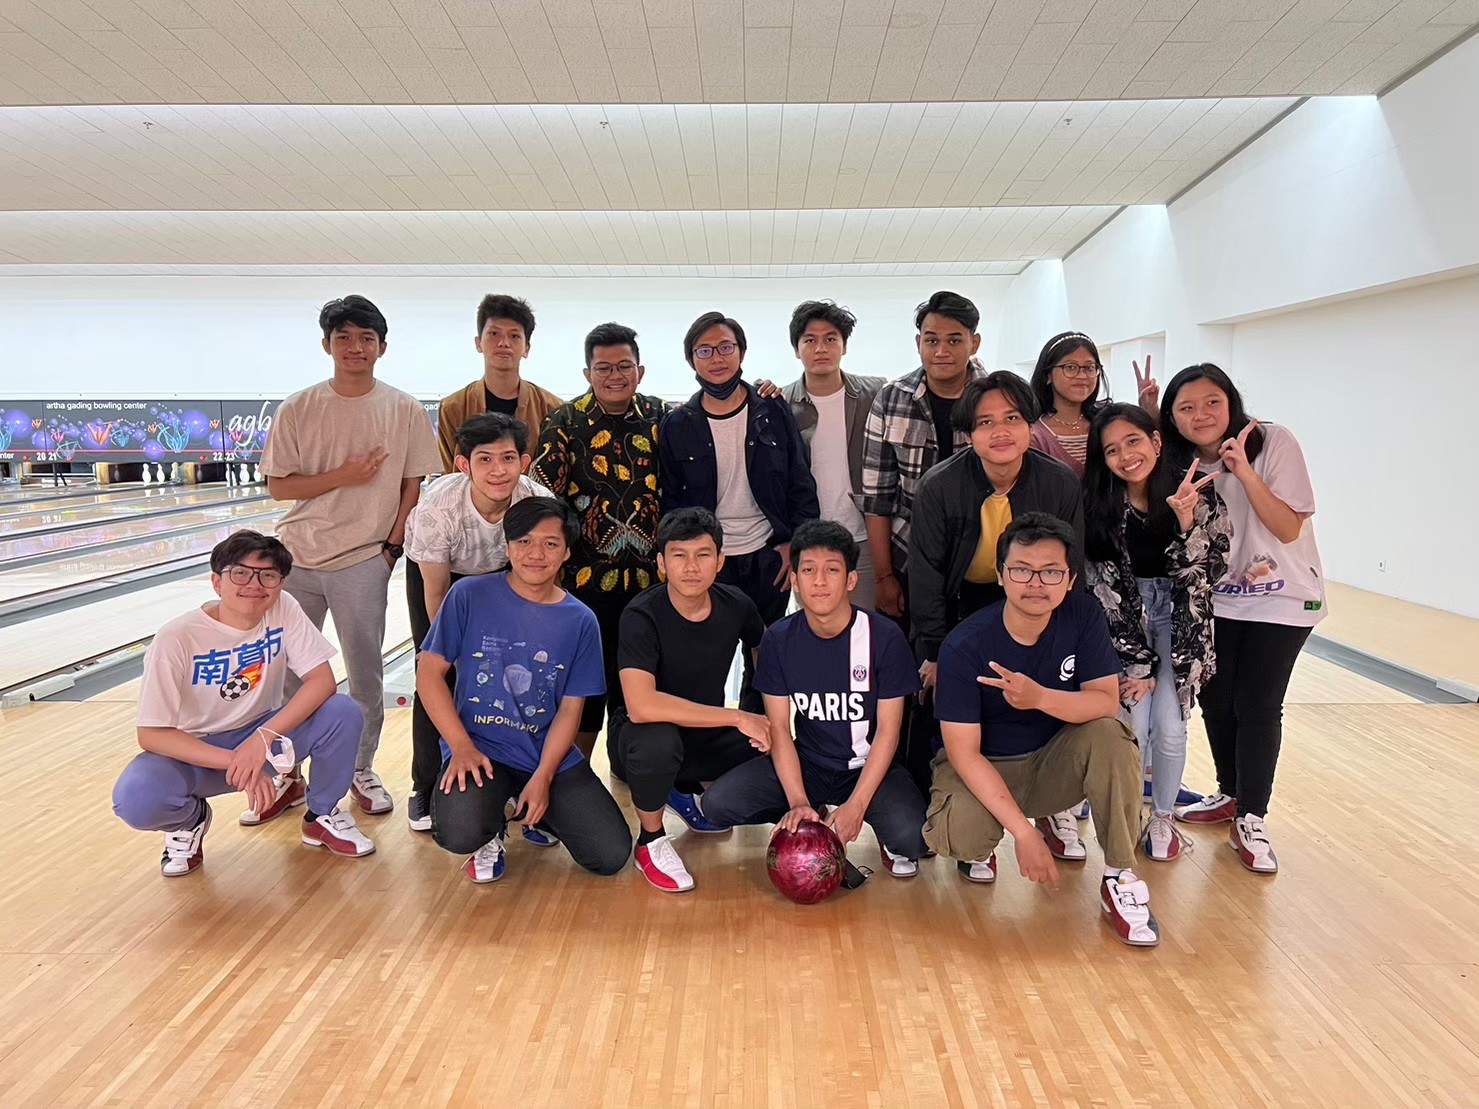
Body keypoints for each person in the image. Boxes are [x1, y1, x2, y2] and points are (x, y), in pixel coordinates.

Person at [925, 513, 1161, 947]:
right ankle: (990, 841)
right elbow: (963, 753)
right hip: (987, 765)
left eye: (1051, 572)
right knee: (963, 833)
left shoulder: (1083, 615)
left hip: (1053, 762)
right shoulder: (964, 644)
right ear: (1000, 575)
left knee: (1111, 736)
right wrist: (1023, 833)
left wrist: (1039, 697)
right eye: (1022, 570)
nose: (1036, 583)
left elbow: (1105, 701)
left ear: (1070, 580)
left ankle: (1120, 877)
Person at [261, 295, 441, 816]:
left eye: (366, 338)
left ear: (382, 347)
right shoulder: (298, 407)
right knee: (288, 675)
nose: (355, 347)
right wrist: (344, 475)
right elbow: (278, 486)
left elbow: (412, 486)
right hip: (297, 557)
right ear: (327, 345)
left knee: (366, 674)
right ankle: (287, 774)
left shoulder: (404, 409)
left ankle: (359, 769)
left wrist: (390, 550)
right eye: (343, 337)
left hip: (364, 559)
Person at [112, 530, 375, 876]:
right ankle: (190, 821)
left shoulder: (283, 607)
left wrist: (261, 740)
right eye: (240, 573)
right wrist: (238, 759)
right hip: (197, 753)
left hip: (262, 736)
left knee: (341, 711)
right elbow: (152, 735)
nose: (254, 585)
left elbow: (322, 681)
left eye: (267, 576)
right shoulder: (176, 638)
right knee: (136, 797)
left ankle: (321, 815)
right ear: (216, 582)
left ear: (280, 584)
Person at [1159, 365, 1327, 874]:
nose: (1201, 415)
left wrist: (1244, 471)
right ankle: (1230, 793)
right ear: (1172, 418)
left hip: (1283, 598)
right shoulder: (1178, 462)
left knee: (1258, 703)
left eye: (1212, 402)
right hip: (1216, 599)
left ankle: (1252, 817)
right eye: (1186, 408)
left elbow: (1288, 528)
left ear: (1231, 402)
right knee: (1216, 699)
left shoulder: (1273, 442)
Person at [906, 372, 1084, 854]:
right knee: (958, 705)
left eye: (1012, 418)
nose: (1000, 431)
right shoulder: (939, 486)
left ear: (1030, 424)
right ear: (968, 433)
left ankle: (1052, 805)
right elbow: (926, 575)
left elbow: (1072, 569)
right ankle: (964, 815)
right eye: (985, 422)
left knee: (1042, 696)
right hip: (960, 602)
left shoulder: (1059, 482)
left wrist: (1066, 642)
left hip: (1033, 599)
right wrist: (934, 651)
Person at [416, 497, 631, 884]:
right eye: (524, 541)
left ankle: (532, 808)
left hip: (545, 756)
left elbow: (571, 710)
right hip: (480, 750)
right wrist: (460, 747)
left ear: (566, 552)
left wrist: (545, 777)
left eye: (550, 543)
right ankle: (493, 825)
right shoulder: (469, 595)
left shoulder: (581, 621)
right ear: (508, 545)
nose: (536, 553)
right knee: (460, 832)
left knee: (609, 855)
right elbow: (429, 674)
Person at [701, 520, 927, 877]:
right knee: (717, 804)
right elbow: (779, 727)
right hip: (810, 765)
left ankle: (878, 824)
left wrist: (856, 806)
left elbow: (889, 731)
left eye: (832, 570)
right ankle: (813, 811)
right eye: (808, 570)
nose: (819, 581)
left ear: (851, 580)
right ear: (794, 580)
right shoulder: (779, 639)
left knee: (913, 840)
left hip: (868, 767)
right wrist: (798, 803)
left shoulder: (883, 637)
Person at [1082, 404, 1230, 861]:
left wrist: (1187, 526)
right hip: (1124, 623)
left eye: (1133, 441)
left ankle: (1163, 817)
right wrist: (1136, 662)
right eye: (1111, 450)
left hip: (1181, 622)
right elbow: (1102, 586)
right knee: (1134, 727)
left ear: (1156, 441)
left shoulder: (1196, 492)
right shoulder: (1101, 504)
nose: (1125, 456)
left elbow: (1210, 574)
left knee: (1170, 727)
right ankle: (1126, 813)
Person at [658, 311, 819, 708]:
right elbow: (672, 503)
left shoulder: (771, 409)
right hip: (710, 559)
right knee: (702, 658)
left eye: (725, 347)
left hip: (768, 555)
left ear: (741, 353)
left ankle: (757, 737)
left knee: (764, 658)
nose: (717, 358)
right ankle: (706, 738)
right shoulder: (678, 423)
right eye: (705, 350)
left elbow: (799, 481)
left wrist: (794, 546)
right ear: (692, 360)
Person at [403, 413, 552, 834]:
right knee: (434, 674)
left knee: (510, 672)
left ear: (524, 461)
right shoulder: (437, 510)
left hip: (501, 573)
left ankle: (511, 776)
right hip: (440, 575)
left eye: (508, 458)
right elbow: (437, 593)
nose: (498, 470)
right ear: (463, 464)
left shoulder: (536, 502)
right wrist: (452, 655)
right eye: (485, 459)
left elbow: (543, 571)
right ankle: (425, 784)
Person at [612, 508, 771, 893]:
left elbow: (765, 653)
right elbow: (641, 706)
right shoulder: (641, 615)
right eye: (679, 556)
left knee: (780, 754)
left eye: (702, 555)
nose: (691, 567)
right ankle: (650, 840)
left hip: (705, 735)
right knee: (658, 740)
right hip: (640, 738)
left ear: (720, 560)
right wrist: (736, 718)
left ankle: (684, 793)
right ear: (661, 563)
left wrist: (757, 712)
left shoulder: (736, 604)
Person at [532, 322, 670, 759]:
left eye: (624, 366)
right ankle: (573, 773)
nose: (615, 376)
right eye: (604, 367)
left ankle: (633, 765)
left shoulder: (662, 417)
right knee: (585, 684)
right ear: (588, 373)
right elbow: (545, 503)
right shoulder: (564, 421)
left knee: (643, 679)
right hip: (584, 582)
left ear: (640, 371)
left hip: (652, 582)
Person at [860, 291, 989, 621]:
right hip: (910, 556)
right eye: (932, 341)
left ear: (974, 343)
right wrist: (884, 577)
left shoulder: (996, 400)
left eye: (954, 340)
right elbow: (877, 499)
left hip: (985, 559)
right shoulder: (892, 399)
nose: (941, 351)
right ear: (919, 343)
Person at [779, 301, 885, 610]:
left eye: (830, 339)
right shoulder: (781, 403)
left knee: (865, 623)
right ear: (797, 349)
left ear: (844, 346)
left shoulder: (875, 393)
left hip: (865, 537)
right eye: (810, 340)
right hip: (808, 539)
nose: (821, 348)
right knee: (816, 625)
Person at [436, 294, 562, 472]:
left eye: (514, 336)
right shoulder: (452, 408)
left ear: (527, 348)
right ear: (478, 343)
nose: (504, 343)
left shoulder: (552, 408)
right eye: (494, 334)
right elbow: (448, 475)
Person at [1028, 331, 1108, 476]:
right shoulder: (1034, 435)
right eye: (1070, 367)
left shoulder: (1107, 421)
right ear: (1048, 375)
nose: (1082, 376)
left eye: (1089, 368)